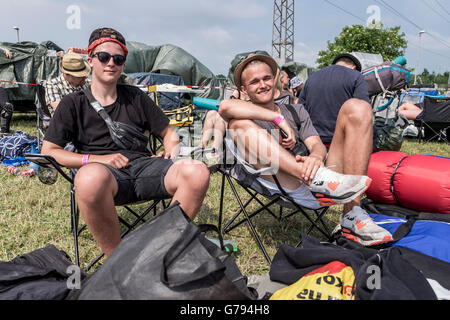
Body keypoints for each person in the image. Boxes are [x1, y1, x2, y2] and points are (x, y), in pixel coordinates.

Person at [41, 27, 210, 257]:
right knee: (89, 177)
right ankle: (119, 262)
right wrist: (96, 159)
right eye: (104, 57)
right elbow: (50, 151)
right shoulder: (73, 103)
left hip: (144, 167)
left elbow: (169, 133)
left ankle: (163, 253)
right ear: (90, 60)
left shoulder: (136, 96)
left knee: (197, 172)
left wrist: (170, 151)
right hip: (104, 175)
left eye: (118, 59)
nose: (111, 63)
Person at [218, 54, 372, 219]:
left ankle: (353, 213)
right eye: (254, 82)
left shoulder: (295, 110)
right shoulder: (242, 114)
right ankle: (314, 179)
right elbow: (225, 106)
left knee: (358, 107)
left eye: (267, 78)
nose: (263, 85)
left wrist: (315, 156)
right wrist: (277, 119)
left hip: (325, 183)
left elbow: (316, 144)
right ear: (244, 90)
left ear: (274, 79)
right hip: (283, 183)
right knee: (237, 125)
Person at [44, 52, 91, 116]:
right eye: (80, 75)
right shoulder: (52, 85)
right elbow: (62, 111)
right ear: (67, 74)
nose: (85, 77)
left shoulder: (88, 84)